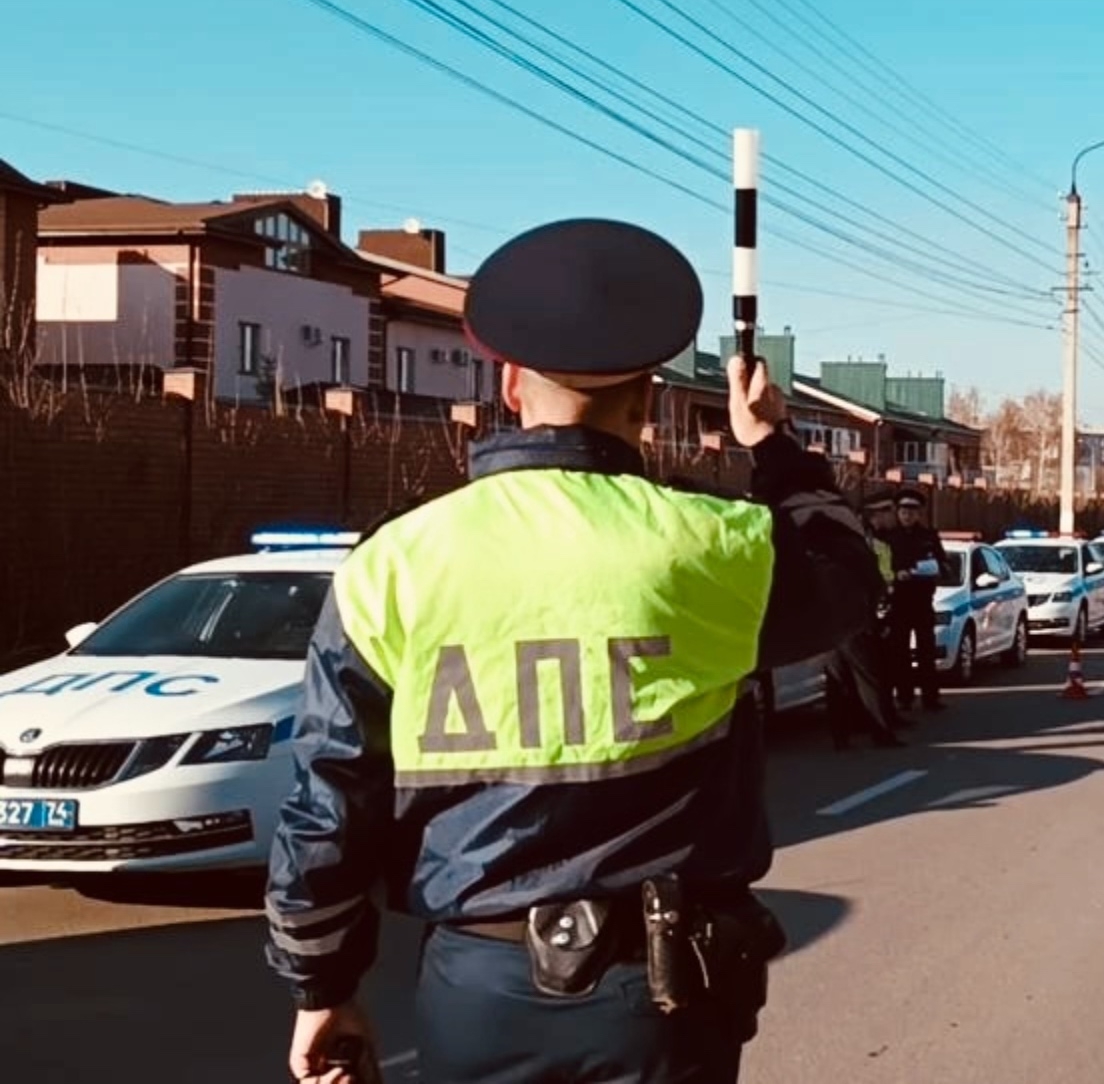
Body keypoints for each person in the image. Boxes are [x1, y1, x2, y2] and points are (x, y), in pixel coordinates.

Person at [263, 217, 879, 1084]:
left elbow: (328, 799)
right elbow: (851, 579)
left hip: (475, 989)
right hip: (663, 995)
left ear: (510, 384)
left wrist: (319, 986)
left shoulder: (393, 564)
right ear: (651, 396)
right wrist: (772, 447)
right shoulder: (718, 546)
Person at [822, 497, 910, 750]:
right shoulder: (863, 546)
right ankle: (881, 733)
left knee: (837, 681)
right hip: (854, 622)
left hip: (828, 625)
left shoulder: (825, 547)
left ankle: (840, 737)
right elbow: (872, 583)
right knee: (869, 678)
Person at [884, 487, 947, 714]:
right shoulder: (889, 537)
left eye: (912, 512)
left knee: (926, 652)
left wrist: (931, 569)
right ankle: (904, 696)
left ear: (919, 513)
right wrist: (897, 573)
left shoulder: (929, 537)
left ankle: (931, 696)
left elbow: (943, 564)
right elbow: (882, 567)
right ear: (897, 513)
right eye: (903, 511)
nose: (907, 516)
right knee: (899, 653)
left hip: (922, 601)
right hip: (899, 602)